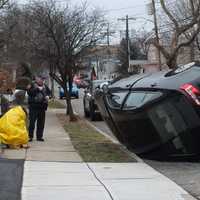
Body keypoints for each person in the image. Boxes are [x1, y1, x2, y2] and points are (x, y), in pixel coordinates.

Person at [27, 76, 51, 142]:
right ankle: (30, 136)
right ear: (37, 79)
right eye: (40, 79)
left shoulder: (45, 86)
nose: (42, 81)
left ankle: (39, 136)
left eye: (43, 80)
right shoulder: (32, 85)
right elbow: (29, 93)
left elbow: (49, 93)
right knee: (32, 122)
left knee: (41, 123)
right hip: (33, 107)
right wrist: (37, 89)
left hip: (42, 107)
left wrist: (48, 96)